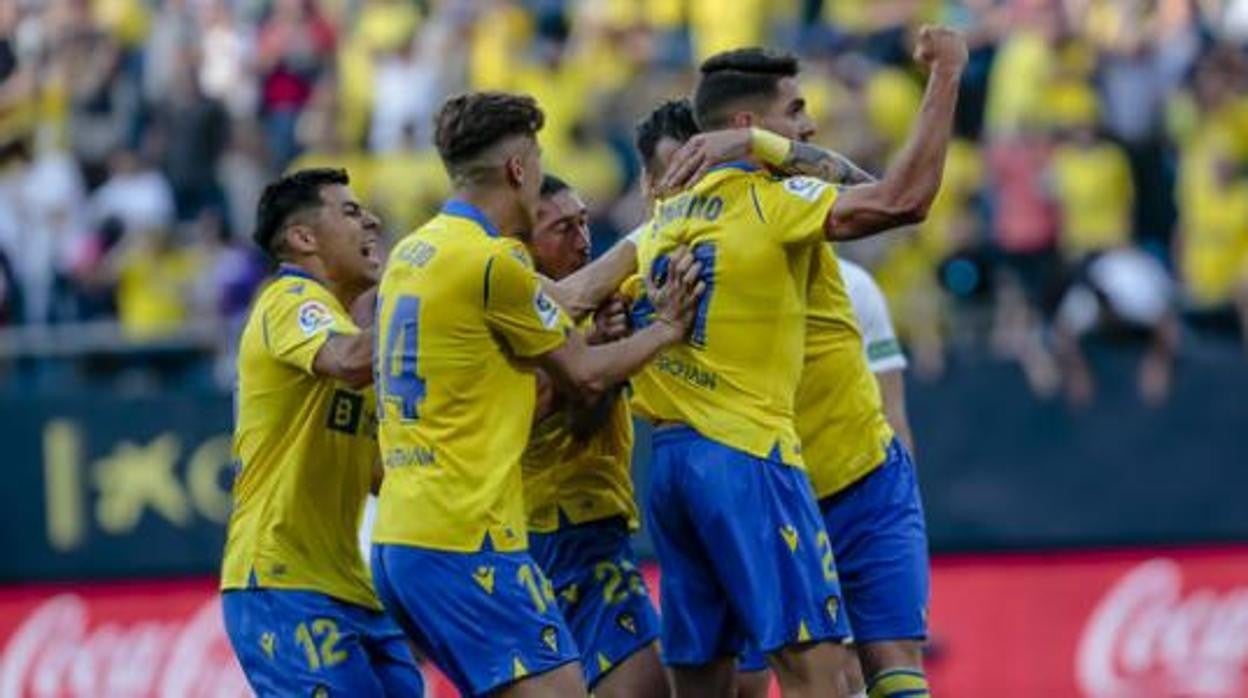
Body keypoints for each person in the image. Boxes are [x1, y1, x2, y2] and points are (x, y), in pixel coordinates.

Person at [627, 27, 965, 698]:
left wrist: (762, 143)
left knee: (886, 678)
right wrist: (947, 74)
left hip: (860, 480)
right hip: (765, 479)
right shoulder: (689, 240)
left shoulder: (833, 264)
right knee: (798, 679)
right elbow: (901, 198)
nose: (810, 124)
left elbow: (896, 413)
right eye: (796, 112)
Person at [368, 91, 703, 698]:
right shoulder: (491, 262)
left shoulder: (413, 253)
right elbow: (585, 375)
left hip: (401, 539)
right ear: (518, 170)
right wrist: (668, 328)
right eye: (540, 163)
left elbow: (550, 324)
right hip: (465, 536)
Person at [220, 168, 424, 696]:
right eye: (351, 212)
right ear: (304, 238)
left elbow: (385, 474)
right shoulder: (289, 301)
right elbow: (350, 362)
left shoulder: (356, 336)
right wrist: (428, 294)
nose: (373, 220)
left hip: (352, 587)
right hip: (281, 583)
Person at [521, 174, 668, 698]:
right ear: (523, 240)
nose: (583, 240)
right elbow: (526, 411)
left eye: (584, 221)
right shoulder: (514, 303)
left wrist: (605, 346)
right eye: (563, 228)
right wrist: (601, 353)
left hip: (585, 523)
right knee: (646, 686)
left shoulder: (592, 307)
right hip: (554, 529)